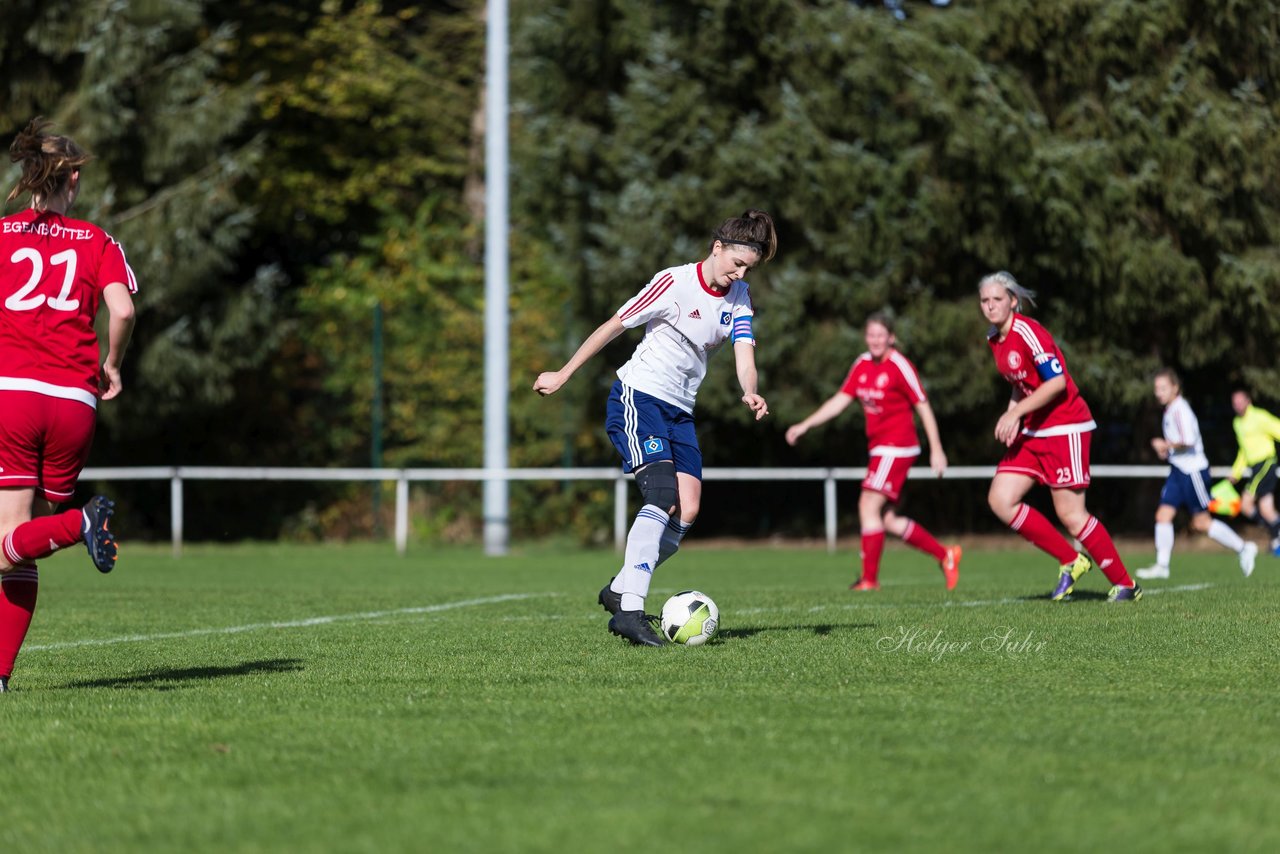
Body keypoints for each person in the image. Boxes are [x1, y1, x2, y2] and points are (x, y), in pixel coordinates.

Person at [533, 209, 776, 646]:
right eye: (736, 263)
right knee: (661, 495)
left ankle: (618, 588)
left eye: (748, 268)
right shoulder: (674, 282)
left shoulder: (740, 296)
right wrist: (563, 374)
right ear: (716, 248)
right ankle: (629, 612)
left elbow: (745, 355)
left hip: (680, 410)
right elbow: (614, 325)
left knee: (688, 509)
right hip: (638, 395)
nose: (739, 273)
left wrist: (750, 390)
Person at [0, 118, 137, 692]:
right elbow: (124, 311)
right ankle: (0, 676)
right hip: (74, 403)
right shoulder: (99, 240)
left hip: (11, 396)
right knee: (21, 547)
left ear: (29, 178)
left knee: (9, 545)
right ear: (72, 181)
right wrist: (112, 365)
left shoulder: (2, 234)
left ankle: (81, 523)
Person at [978, 271, 1141, 602]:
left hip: (1065, 426)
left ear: (1013, 301)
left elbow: (1057, 384)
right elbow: (1019, 381)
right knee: (1000, 500)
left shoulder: (1029, 331)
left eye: (997, 299)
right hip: (1034, 429)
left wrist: (1016, 414)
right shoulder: (995, 338)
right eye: (985, 300)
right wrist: (1012, 414)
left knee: (1071, 515)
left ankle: (1126, 585)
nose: (991, 306)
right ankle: (1071, 559)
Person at [785, 313, 961, 591]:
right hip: (880, 448)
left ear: (891, 337)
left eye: (881, 335)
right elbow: (841, 400)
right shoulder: (862, 364)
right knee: (886, 519)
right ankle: (946, 555)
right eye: (871, 335)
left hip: (897, 446)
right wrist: (806, 424)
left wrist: (937, 448)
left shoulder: (900, 366)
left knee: (867, 504)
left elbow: (923, 405)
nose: (875, 341)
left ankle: (869, 580)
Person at [1135, 369, 1257, 579]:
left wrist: (1165, 445)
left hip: (1193, 472)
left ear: (1175, 387)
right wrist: (1166, 449)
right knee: (1163, 516)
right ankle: (1162, 566)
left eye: (1163, 388)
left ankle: (1244, 547)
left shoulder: (1180, 409)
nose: (1158, 393)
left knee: (1201, 522)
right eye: (1156, 389)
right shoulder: (1170, 410)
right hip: (1178, 470)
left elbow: (1189, 440)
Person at [1227, 388, 1280, 554]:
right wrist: (1236, 472)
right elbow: (1243, 451)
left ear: (1248, 400)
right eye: (1234, 402)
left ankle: (1275, 535)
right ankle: (1277, 537)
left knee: (1245, 504)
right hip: (1254, 467)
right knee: (1266, 509)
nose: (1238, 405)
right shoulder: (1237, 423)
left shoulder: (1259, 417)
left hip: (1266, 463)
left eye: (1240, 401)